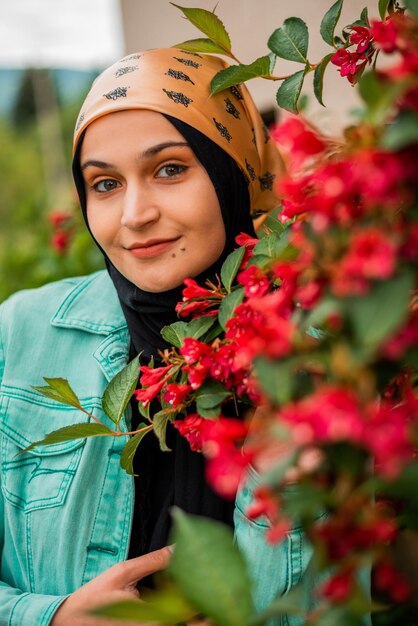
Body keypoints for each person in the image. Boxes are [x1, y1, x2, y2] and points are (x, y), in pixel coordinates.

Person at [0, 47, 314, 626]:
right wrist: (51, 617)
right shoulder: (20, 333)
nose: (134, 214)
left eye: (169, 169)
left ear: (232, 171)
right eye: (105, 184)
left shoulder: (331, 349)